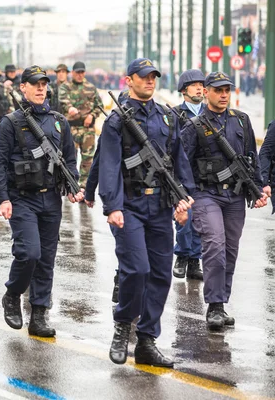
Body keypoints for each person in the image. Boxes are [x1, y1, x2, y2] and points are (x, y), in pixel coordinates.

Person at [99, 58, 194, 368]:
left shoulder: (167, 117)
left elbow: (179, 160)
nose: (150, 81)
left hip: (161, 206)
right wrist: (112, 206)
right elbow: (109, 165)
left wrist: (184, 198)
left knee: (160, 274)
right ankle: (123, 324)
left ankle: (146, 340)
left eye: (153, 77)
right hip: (129, 206)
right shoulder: (117, 120)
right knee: (136, 269)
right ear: (130, 81)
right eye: (144, 77)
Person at [0, 65, 84, 338]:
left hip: (51, 199)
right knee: (29, 252)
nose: (41, 88)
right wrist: (3, 198)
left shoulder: (58, 121)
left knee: (47, 258)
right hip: (22, 199)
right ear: (23, 88)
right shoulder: (10, 123)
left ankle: (39, 313)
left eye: (44, 83)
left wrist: (71, 185)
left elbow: (68, 158)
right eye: (35, 84)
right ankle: (13, 294)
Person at [182, 71, 268, 331]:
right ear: (206, 92)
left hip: (235, 196)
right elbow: (182, 163)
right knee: (215, 245)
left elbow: (251, 156)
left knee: (230, 250)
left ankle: (221, 302)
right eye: (218, 90)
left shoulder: (241, 121)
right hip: (206, 194)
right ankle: (215, 306)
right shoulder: (195, 126)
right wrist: (184, 195)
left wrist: (259, 186)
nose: (223, 95)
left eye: (226, 90)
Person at [171, 69, 206, 280]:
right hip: (183, 176)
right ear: (184, 90)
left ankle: (194, 261)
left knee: (200, 221)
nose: (200, 88)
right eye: (195, 85)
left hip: (204, 176)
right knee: (185, 219)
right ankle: (182, 255)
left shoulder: (210, 113)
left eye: (202, 85)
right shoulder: (175, 114)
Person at [58, 61, 103, 188]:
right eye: (77, 72)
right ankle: (70, 184)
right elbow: (63, 100)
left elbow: (99, 106)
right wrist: (70, 108)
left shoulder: (91, 87)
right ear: (72, 73)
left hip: (87, 129)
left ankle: (84, 186)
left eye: (82, 72)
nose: (79, 75)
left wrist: (92, 115)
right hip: (71, 128)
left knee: (87, 159)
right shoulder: (66, 87)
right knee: (70, 158)